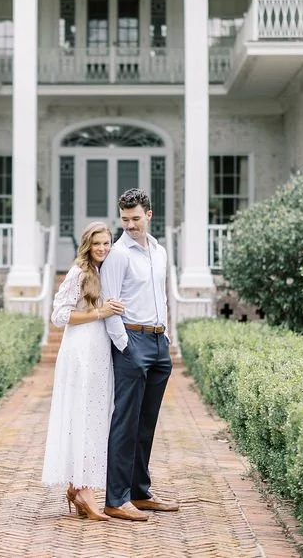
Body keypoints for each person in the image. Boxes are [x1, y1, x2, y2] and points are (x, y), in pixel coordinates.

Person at [99, 188, 180, 521]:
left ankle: (139, 491)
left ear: (149, 214)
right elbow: (110, 302)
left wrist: (166, 335)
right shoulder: (118, 254)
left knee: (146, 424)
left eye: (135, 219)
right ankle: (116, 498)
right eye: (124, 220)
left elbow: (159, 295)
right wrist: (124, 346)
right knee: (125, 423)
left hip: (159, 343)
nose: (130, 226)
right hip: (133, 342)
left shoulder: (158, 251)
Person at [41, 221, 125, 521]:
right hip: (80, 351)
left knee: (94, 417)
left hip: (100, 349)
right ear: (87, 245)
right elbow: (59, 315)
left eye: (107, 243)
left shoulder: (106, 271)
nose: (102, 248)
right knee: (82, 416)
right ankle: (83, 490)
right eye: (97, 243)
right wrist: (100, 312)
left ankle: (79, 486)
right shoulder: (78, 272)